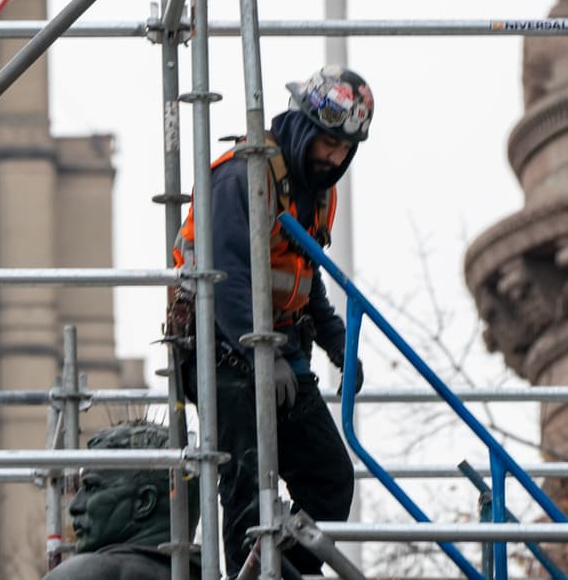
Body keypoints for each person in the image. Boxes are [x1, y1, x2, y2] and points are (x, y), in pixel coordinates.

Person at [171, 66, 372, 577]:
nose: (337, 158)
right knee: (247, 486)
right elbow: (226, 279)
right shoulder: (242, 178)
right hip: (221, 347)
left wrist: (335, 340)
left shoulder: (315, 189)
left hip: (281, 347)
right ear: (306, 127)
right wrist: (267, 352)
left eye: (346, 148)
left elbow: (304, 271)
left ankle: (277, 572)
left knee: (330, 478)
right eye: (330, 143)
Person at [42, 421, 200, 580]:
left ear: (144, 502)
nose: (75, 506)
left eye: (91, 487)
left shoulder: (86, 572)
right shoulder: (206, 573)